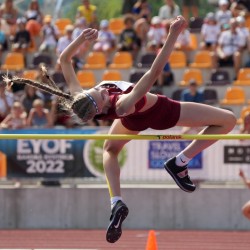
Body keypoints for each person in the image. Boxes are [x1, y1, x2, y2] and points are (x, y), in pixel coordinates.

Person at [6, 16, 237, 243]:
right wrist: (172, 34)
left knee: (110, 148)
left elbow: (64, 59)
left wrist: (81, 39)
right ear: (100, 106)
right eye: (103, 94)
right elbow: (153, 73)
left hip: (132, 122)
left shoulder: (82, 100)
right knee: (227, 121)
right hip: (163, 113)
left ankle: (116, 201)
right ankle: (180, 162)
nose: (104, 91)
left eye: (100, 90)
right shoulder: (122, 104)